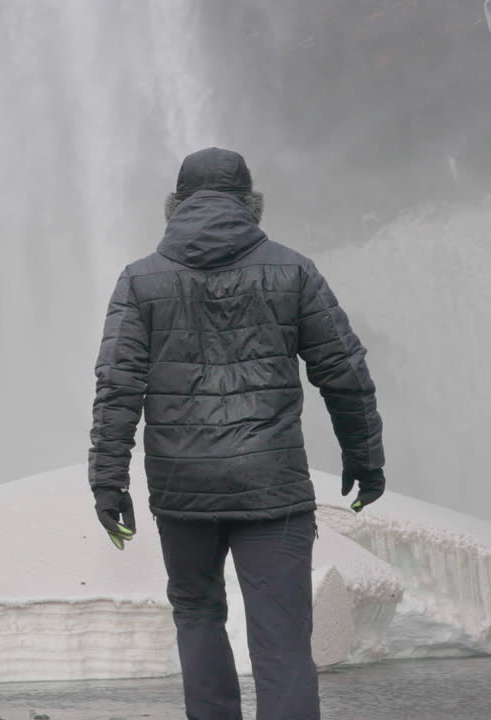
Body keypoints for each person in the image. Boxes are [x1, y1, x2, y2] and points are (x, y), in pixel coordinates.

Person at [87, 147, 385, 720]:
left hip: (182, 485)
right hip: (270, 485)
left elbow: (116, 387)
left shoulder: (139, 280)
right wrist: (364, 458)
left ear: (175, 205)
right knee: (282, 636)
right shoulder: (292, 270)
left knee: (198, 614)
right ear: (252, 203)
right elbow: (345, 374)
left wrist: (107, 481)